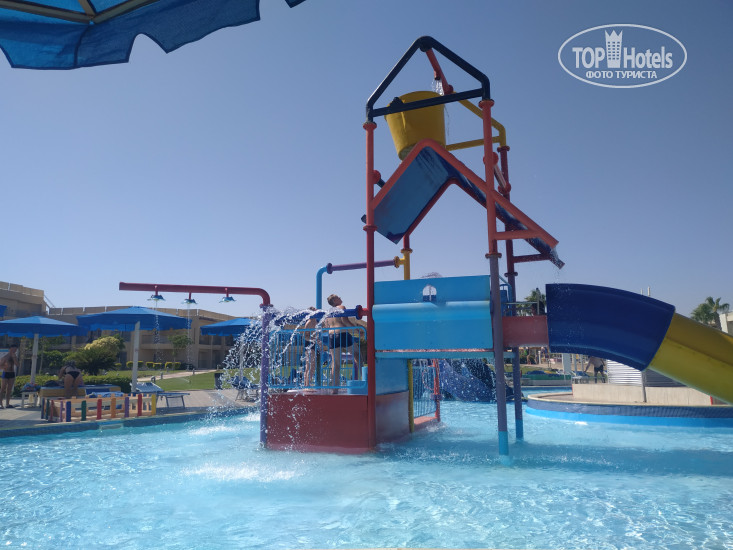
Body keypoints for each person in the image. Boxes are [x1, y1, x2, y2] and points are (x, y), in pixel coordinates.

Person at [323, 294, 366, 393]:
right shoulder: (341, 307)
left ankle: (334, 389)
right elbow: (345, 321)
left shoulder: (328, 312)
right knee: (357, 355)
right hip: (342, 334)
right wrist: (357, 330)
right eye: (338, 297)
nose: (340, 297)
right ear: (334, 301)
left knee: (335, 363)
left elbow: (326, 326)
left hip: (332, 336)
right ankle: (364, 381)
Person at [0, 342, 20, 409]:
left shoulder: (14, 356)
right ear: (10, 349)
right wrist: (4, 367)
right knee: (3, 388)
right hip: (5, 373)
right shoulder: (5, 357)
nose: (14, 351)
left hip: (12, 373)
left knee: (9, 389)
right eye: (13, 349)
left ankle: (7, 404)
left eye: (15, 350)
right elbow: (0, 365)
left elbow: (17, 364)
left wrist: (14, 357)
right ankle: (0, 403)